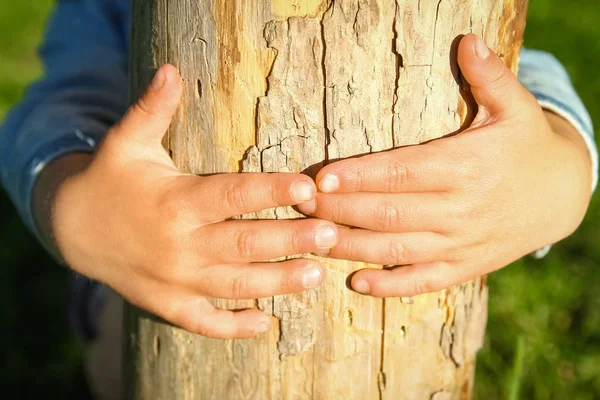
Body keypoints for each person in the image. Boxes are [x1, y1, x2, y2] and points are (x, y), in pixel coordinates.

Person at [0, 1, 596, 398]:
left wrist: (562, 173)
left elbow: (513, 62)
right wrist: (76, 209)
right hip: (161, 288)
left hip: (406, 344)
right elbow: (61, 101)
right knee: (117, 348)